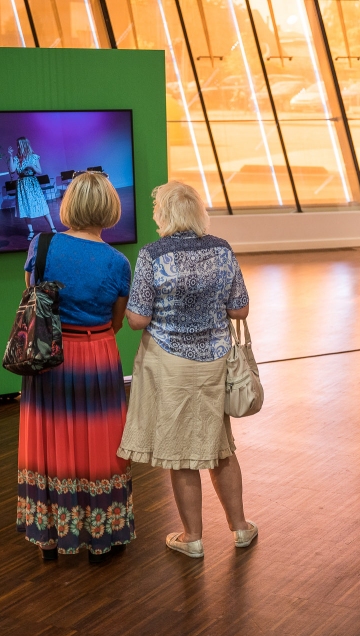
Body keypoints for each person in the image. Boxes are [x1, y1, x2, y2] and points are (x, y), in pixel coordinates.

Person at [118, 180, 256, 559]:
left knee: (181, 453)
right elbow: (240, 308)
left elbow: (137, 319)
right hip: (214, 360)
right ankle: (240, 528)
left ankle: (192, 537)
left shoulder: (151, 255)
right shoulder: (222, 250)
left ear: (163, 214)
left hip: (170, 363)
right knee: (220, 446)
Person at [16, 171, 134, 565]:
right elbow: (116, 322)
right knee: (100, 440)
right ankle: (102, 536)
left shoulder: (42, 244)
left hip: (48, 354)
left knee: (49, 439)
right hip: (97, 353)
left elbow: (29, 298)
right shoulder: (118, 262)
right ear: (109, 209)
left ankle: (50, 536)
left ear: (69, 205)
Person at [9, 136, 58, 240]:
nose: (17, 146)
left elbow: (39, 171)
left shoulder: (34, 156)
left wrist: (32, 166)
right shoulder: (17, 158)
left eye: (19, 144)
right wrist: (10, 155)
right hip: (22, 184)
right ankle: (31, 231)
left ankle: (52, 227)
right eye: (17, 144)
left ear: (24, 145)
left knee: (41, 204)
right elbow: (12, 170)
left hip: (32, 183)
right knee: (25, 207)